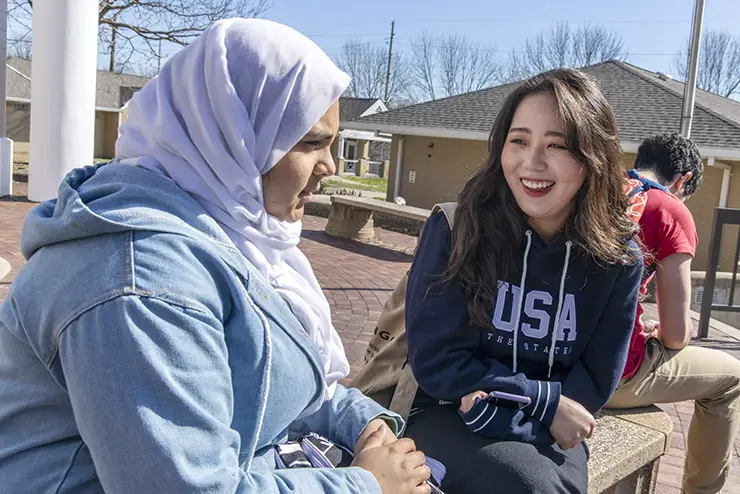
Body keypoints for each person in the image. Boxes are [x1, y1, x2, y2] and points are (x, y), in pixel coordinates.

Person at [0, 19, 432, 494]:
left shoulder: (226, 231)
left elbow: (278, 381)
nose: (331, 166)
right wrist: (366, 486)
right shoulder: (143, 284)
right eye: (312, 142)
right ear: (233, 135)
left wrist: (368, 425)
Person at [401, 68, 644, 494]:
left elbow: (597, 376)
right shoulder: (457, 228)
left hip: (556, 422)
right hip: (449, 410)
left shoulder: (618, 258)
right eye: (519, 141)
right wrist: (542, 402)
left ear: (593, 157)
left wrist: (536, 412)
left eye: (557, 145)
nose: (532, 163)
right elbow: (439, 363)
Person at [606, 132, 740, 494]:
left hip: (549, 356)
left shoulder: (597, 189)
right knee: (732, 378)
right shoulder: (669, 209)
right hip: (611, 374)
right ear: (682, 181)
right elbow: (678, 334)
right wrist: (657, 333)